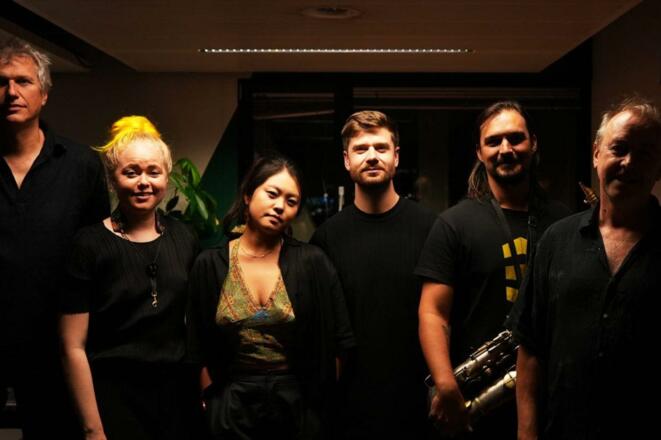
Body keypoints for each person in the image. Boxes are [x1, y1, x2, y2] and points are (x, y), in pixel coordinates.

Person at [415, 101, 570, 438]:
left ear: (533, 143)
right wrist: (446, 386)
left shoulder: (565, 223)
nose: (505, 149)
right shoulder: (454, 224)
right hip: (481, 399)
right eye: (494, 141)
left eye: (515, 138)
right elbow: (433, 313)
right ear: (479, 152)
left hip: (552, 396)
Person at [512, 96, 661, 439]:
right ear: (596, 154)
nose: (629, 162)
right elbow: (530, 351)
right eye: (619, 148)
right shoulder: (556, 240)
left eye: (645, 153)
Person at [187, 154, 355, 439]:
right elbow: (196, 344)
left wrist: (317, 404)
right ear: (248, 195)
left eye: (291, 201)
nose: (280, 206)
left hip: (296, 403)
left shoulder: (312, 262)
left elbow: (341, 339)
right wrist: (211, 400)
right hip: (231, 401)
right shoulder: (210, 264)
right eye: (272, 193)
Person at [59, 116, 200, 439]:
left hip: (176, 398)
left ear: (166, 177)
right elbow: (72, 346)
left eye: (153, 172)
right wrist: (93, 429)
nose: (143, 182)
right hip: (112, 397)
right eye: (131, 172)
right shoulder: (88, 245)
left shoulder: (185, 238)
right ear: (112, 180)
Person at [0, 38, 109, 438]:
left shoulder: (81, 165)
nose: (11, 92)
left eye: (23, 81)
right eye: (1, 82)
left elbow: (99, 254)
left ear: (44, 94)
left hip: (55, 344)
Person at [310, 110, 437, 438]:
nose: (371, 156)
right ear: (346, 160)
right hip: (348, 406)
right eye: (360, 149)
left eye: (381, 148)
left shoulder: (431, 229)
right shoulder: (326, 239)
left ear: (396, 157)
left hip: (418, 401)